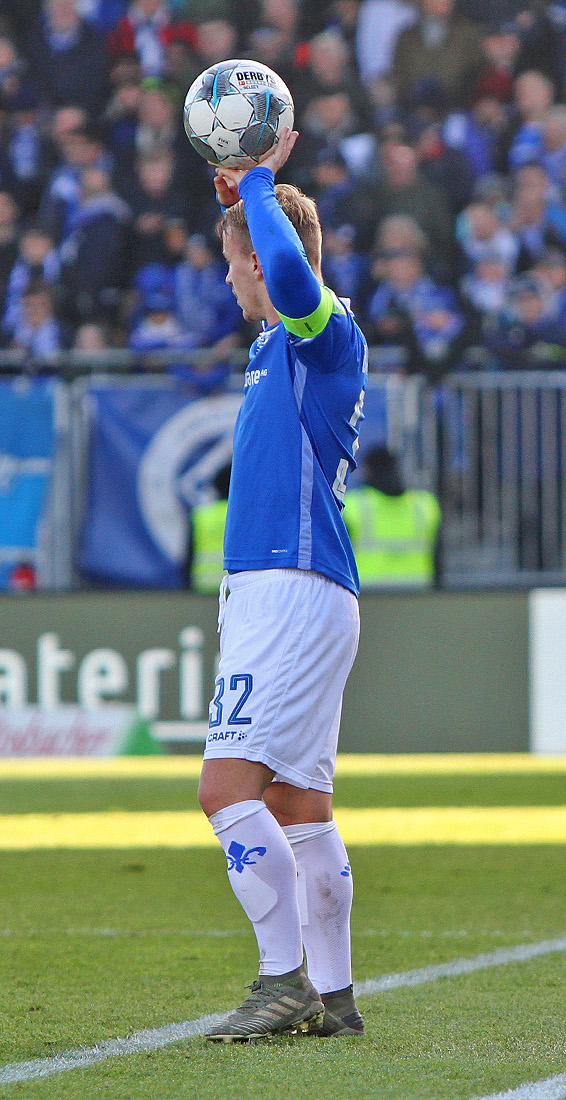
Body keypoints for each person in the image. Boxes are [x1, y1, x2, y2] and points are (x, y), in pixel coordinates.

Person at [196, 129, 369, 1043]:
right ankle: (333, 998)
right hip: (300, 590)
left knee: (226, 787)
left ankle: (282, 981)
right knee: (299, 805)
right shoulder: (278, 347)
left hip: (288, 586)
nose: (229, 278)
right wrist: (245, 193)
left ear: (264, 259)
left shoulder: (323, 330)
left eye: (237, 262)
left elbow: (294, 284)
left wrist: (256, 186)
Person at [343, 446, 442, 589]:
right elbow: (438, 560)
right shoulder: (425, 505)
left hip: (367, 596)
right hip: (418, 594)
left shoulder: (352, 505)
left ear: (367, 470)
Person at [186, 466, 232, 595]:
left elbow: (188, 554)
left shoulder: (201, 515)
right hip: (235, 583)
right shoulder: (244, 516)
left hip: (203, 584)